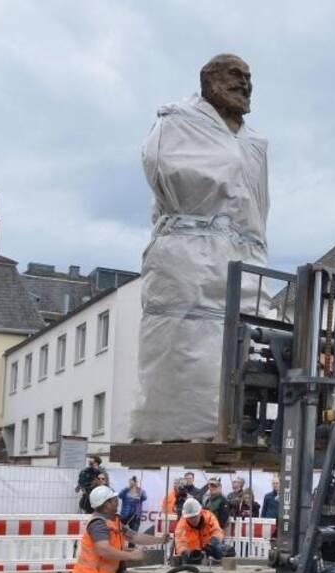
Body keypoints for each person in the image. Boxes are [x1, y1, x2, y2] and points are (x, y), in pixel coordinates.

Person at [135, 54, 269, 443]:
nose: (244, 83)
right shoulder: (180, 121)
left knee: (243, 339)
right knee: (191, 340)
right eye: (234, 75)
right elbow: (164, 166)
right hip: (189, 255)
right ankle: (183, 426)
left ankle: (235, 421)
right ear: (208, 80)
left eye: (248, 76)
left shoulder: (253, 144)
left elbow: (256, 202)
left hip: (242, 255)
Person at [173, 498, 235, 564]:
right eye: (190, 518)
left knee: (220, 549)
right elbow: (180, 543)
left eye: (194, 516)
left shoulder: (209, 517)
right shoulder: (181, 525)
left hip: (209, 550)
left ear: (200, 512)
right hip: (193, 556)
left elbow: (217, 531)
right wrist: (184, 553)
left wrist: (212, 542)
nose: (192, 520)